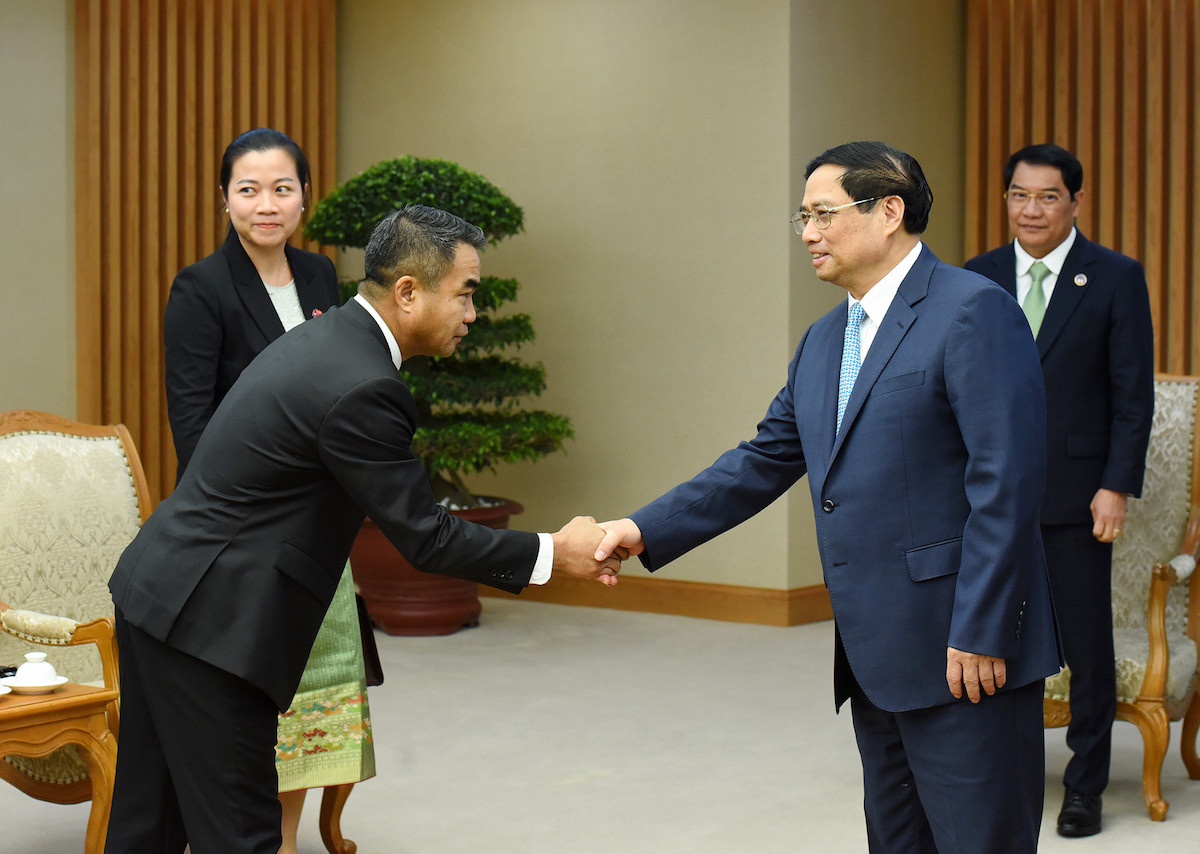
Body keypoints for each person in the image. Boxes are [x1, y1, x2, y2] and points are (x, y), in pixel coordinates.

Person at [107, 204, 623, 854]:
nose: (473, 313)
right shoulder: (363, 384)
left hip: (160, 591)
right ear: (408, 291)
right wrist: (554, 553)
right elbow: (426, 536)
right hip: (212, 626)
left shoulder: (328, 340)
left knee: (145, 828)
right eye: (466, 292)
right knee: (239, 838)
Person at [596, 141, 1062, 854]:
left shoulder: (973, 311)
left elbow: (1007, 482)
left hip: (963, 654)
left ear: (888, 212)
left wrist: (982, 628)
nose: (807, 233)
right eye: (802, 218)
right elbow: (762, 459)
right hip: (876, 658)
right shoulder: (822, 342)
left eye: (822, 214)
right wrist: (641, 527)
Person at [162, 127, 373, 854]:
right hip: (246, 534)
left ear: (304, 197)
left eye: (282, 188)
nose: (266, 204)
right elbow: (192, 425)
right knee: (256, 695)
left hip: (317, 519)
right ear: (224, 199)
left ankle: (285, 837)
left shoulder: (320, 279)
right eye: (248, 189)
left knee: (317, 693)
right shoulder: (201, 289)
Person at [965, 143, 1154, 838]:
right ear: (1006, 199)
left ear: (1075, 202)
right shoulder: (977, 277)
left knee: (1086, 649)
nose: (1032, 209)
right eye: (1020, 194)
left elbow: (1133, 398)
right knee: (990, 640)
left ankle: (1084, 788)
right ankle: (996, 776)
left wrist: (1116, 486)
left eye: (1048, 196)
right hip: (991, 499)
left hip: (1079, 498)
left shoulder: (1114, 277)